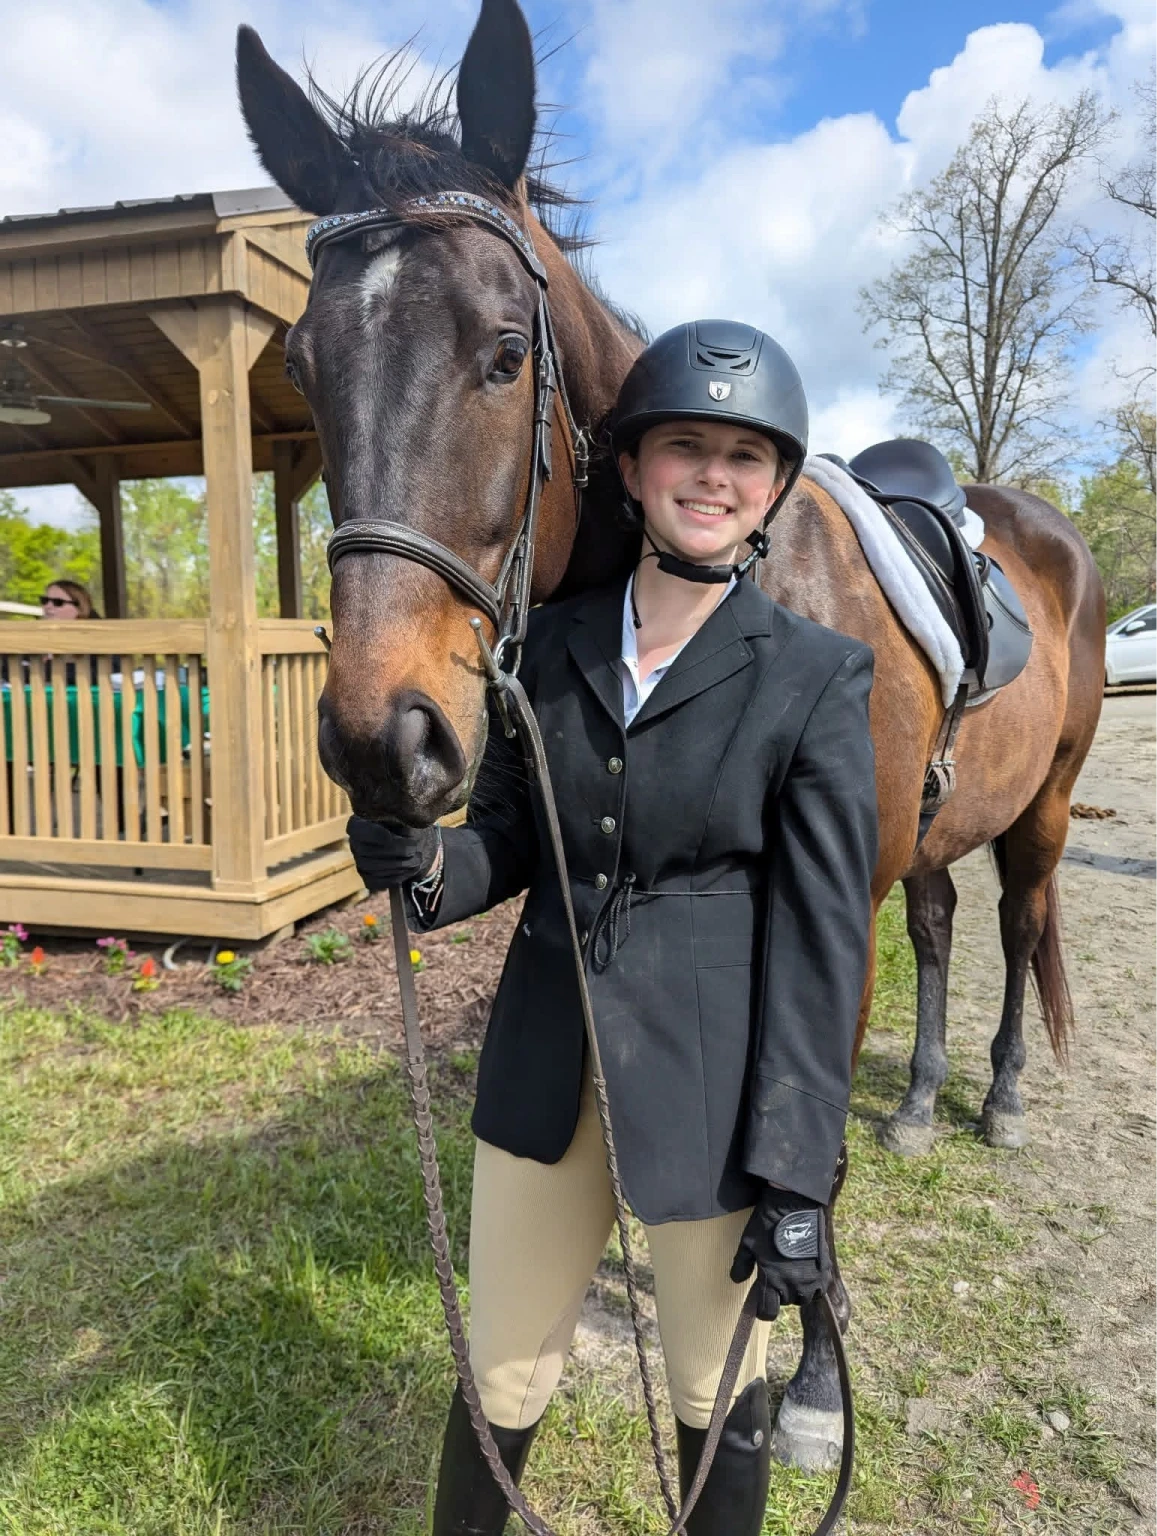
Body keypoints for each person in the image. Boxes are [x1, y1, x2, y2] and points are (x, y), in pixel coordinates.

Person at [347, 320, 878, 1535]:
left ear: (773, 490)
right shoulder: (544, 647)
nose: (711, 477)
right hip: (542, 1066)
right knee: (497, 1374)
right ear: (632, 471)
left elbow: (818, 945)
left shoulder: (815, 677)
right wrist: (429, 867)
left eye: (744, 458)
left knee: (710, 1384)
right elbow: (512, 845)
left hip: (711, 1093)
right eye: (683, 447)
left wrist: (798, 1172)